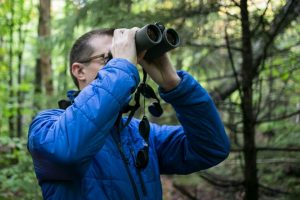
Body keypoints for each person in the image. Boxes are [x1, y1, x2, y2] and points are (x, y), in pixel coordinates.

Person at [28, 27, 230, 200]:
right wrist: (122, 65)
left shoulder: (143, 134)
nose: (125, 64)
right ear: (79, 71)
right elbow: (65, 152)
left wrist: (174, 85)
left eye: (125, 58)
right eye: (110, 58)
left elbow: (211, 149)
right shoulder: (48, 125)